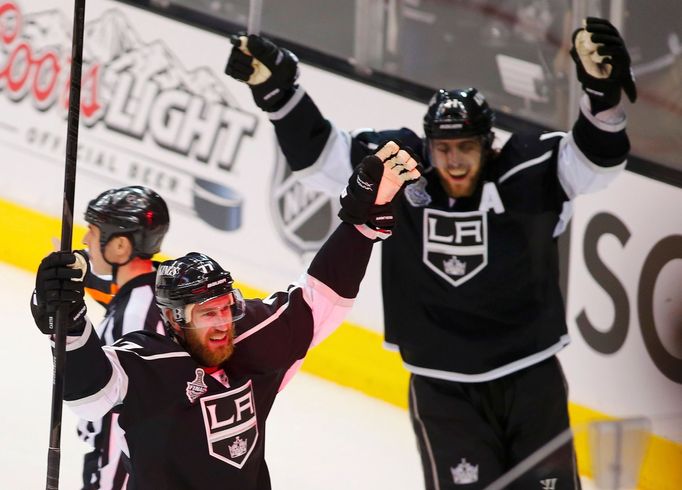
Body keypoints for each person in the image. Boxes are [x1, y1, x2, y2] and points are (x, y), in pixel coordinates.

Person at [224, 16, 637, 490]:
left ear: (488, 144)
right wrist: (279, 93)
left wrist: (602, 98)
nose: (454, 160)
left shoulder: (527, 169)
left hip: (531, 380)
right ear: (427, 146)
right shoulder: (400, 168)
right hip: (443, 390)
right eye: (443, 149)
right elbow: (322, 159)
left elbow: (594, 165)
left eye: (466, 147)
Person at [31, 142, 421, 489]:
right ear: (173, 320)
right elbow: (90, 393)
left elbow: (318, 298)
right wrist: (66, 323)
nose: (221, 323)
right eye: (206, 314)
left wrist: (359, 227)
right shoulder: (149, 362)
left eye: (225, 308)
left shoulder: (250, 335)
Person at [78, 185, 170, 489]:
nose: (85, 240)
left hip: (122, 472)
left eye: (92, 232)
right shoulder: (156, 288)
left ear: (119, 247)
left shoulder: (134, 319)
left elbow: (127, 419)